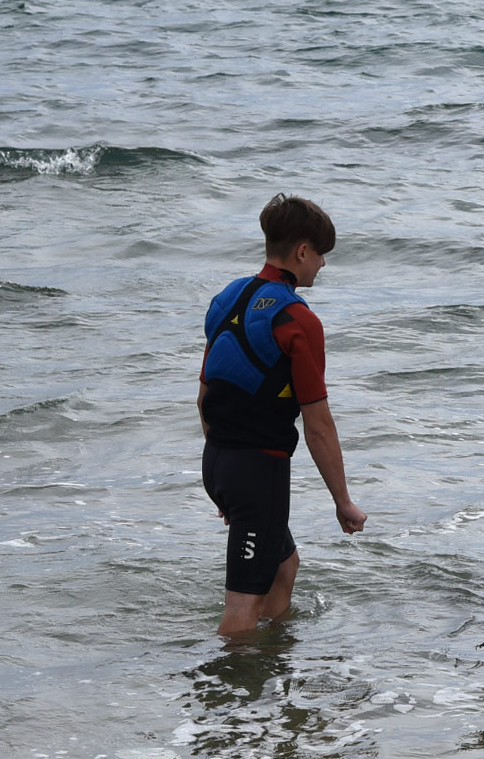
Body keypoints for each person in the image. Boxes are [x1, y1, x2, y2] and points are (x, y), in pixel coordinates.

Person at [198, 193, 365, 636]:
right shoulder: (297, 320)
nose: (322, 267)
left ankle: (265, 672)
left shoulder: (227, 298)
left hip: (217, 462)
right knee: (241, 608)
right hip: (258, 470)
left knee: (284, 564)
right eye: (321, 255)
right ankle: (226, 691)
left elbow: (204, 396)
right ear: (302, 251)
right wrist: (342, 501)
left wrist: (225, 480)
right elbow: (318, 424)